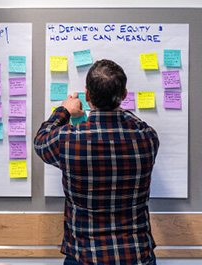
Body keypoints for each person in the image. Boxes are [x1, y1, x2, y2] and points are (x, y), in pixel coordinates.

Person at [34, 59, 159, 265]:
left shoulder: (67, 140)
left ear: (88, 96)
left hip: (85, 256)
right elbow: (135, 122)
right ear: (124, 95)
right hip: (136, 255)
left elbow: (41, 141)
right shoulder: (147, 137)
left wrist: (64, 110)